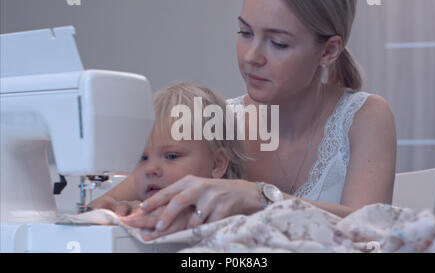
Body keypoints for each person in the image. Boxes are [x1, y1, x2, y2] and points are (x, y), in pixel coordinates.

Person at [91, 0, 397, 240]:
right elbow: (104, 207)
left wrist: (262, 199)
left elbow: (371, 235)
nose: (251, 56)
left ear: (328, 51)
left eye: (278, 43)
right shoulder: (215, 121)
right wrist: (128, 213)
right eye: (245, 33)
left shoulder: (364, 118)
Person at [88, 82, 247, 240]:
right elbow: (95, 207)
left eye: (171, 156)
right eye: (142, 158)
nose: (150, 169)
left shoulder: (237, 228)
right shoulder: (142, 204)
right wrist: (113, 208)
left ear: (217, 164)